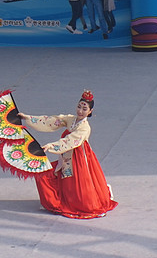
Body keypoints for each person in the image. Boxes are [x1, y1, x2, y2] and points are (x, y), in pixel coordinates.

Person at [19, 91, 116, 219]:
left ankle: (75, 202)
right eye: (79, 107)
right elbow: (52, 120)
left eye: (84, 109)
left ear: (90, 111)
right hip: (67, 153)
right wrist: (28, 118)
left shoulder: (85, 128)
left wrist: (51, 146)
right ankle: (61, 199)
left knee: (78, 185)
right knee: (51, 175)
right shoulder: (72, 119)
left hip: (79, 157)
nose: (80, 111)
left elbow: (71, 140)